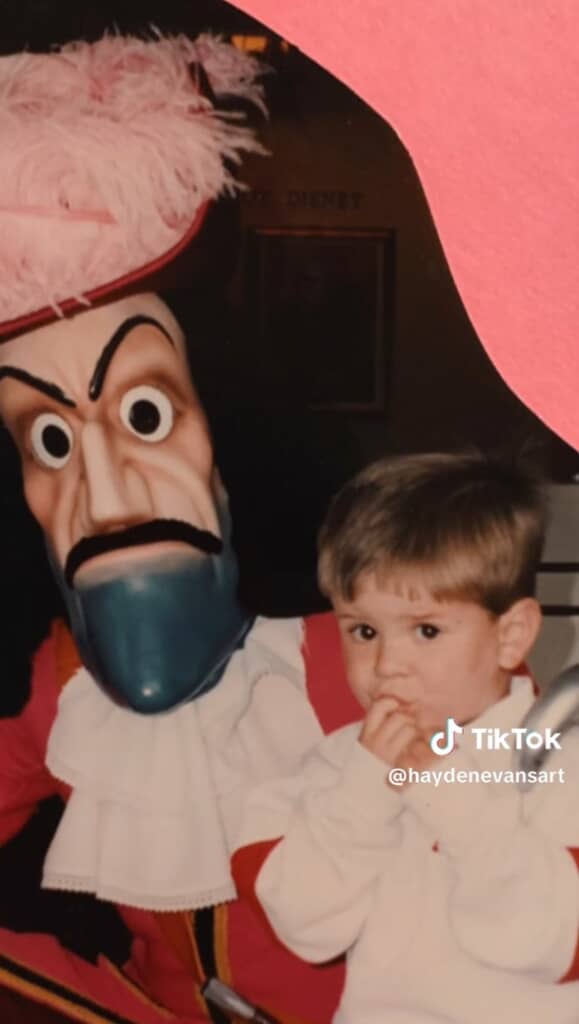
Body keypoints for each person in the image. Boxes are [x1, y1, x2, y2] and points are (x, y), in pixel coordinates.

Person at [0, 30, 361, 1024]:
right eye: (48, 442)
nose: (105, 485)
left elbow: (494, 761)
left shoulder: (354, 646)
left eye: (146, 413)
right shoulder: (61, 688)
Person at [233, 451, 579, 1023]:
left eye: (427, 630)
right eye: (364, 631)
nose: (387, 664)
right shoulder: (339, 764)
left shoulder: (560, 761)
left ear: (511, 635)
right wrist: (363, 796)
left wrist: (453, 801)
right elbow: (305, 927)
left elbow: (553, 944)